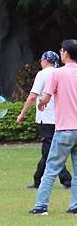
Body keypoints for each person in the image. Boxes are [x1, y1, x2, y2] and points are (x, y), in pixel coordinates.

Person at [29, 39, 77, 215]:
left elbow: (46, 97)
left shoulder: (57, 74)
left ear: (65, 53)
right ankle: (75, 205)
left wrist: (41, 103)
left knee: (51, 168)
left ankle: (41, 206)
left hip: (64, 128)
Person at [16, 51, 72, 189]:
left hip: (46, 118)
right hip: (60, 118)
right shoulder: (60, 73)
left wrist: (22, 114)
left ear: (46, 61)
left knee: (49, 151)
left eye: (41, 59)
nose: (40, 62)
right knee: (48, 150)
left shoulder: (42, 74)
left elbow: (32, 96)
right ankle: (38, 179)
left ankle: (67, 180)